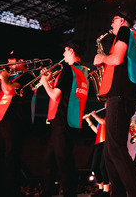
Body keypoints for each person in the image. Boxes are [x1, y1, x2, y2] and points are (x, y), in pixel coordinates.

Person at [93, 10, 136, 197]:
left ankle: (135, 193)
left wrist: (102, 58)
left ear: (122, 20)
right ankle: (116, 193)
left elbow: (117, 58)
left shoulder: (125, 31)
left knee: (116, 149)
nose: (111, 26)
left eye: (113, 21)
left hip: (119, 95)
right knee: (110, 151)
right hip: (124, 95)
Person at [39, 42, 89, 197]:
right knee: (49, 160)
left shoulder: (68, 69)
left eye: (65, 52)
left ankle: (69, 192)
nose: (63, 55)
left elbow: (55, 95)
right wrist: (53, 80)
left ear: (71, 51)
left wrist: (45, 82)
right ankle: (47, 191)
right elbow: (69, 92)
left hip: (62, 120)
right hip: (70, 120)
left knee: (63, 159)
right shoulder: (83, 71)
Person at [0, 51, 34, 197]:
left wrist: (3, 79)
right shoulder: (11, 77)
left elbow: (9, 89)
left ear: (21, 61)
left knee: (10, 158)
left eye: (12, 62)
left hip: (16, 122)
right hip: (5, 122)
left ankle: (11, 190)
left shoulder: (27, 76)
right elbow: (0, 99)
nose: (9, 66)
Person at [85, 108, 109, 197]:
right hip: (98, 143)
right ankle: (101, 188)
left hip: (106, 143)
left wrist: (94, 115)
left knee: (103, 166)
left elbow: (104, 123)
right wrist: (88, 121)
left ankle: (106, 190)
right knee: (94, 167)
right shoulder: (100, 120)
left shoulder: (108, 118)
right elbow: (97, 131)